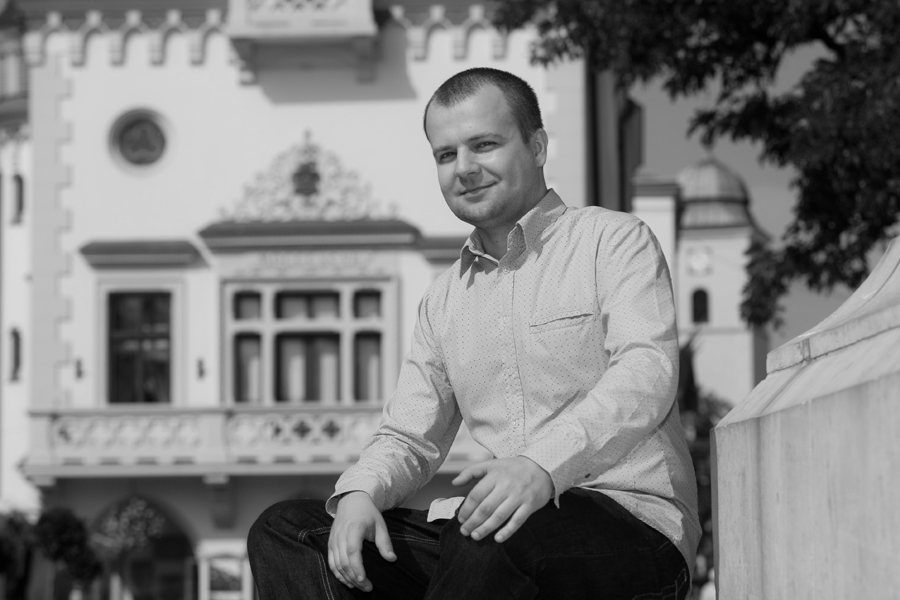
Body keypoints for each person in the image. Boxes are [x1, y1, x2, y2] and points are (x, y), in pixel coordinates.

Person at [248, 67, 700, 599]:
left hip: (632, 527)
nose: (464, 168)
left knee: (489, 526)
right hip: (490, 537)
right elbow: (409, 435)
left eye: (484, 145)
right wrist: (360, 493)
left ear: (537, 146)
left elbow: (648, 371)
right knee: (289, 532)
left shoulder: (613, 241)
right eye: (446, 154)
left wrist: (541, 466)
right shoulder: (444, 300)